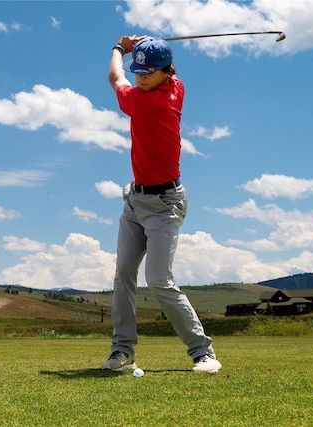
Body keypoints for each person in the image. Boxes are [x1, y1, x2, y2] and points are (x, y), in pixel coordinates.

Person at [101, 35, 222, 374]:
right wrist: (142, 47)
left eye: (146, 72)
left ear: (165, 72)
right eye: (136, 69)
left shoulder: (146, 102)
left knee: (158, 280)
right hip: (135, 199)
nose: (139, 76)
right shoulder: (176, 84)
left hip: (165, 204)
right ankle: (122, 351)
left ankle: (203, 352)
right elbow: (141, 69)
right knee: (123, 272)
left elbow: (114, 77)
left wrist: (119, 48)